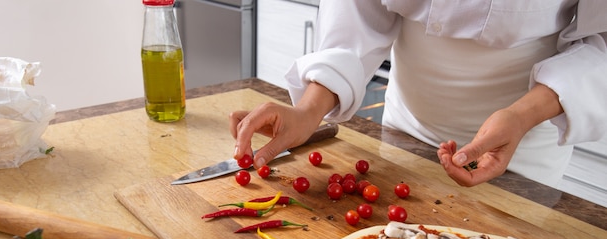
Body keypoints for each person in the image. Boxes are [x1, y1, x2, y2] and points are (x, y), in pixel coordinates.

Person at [229, 1, 607, 188]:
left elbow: (601, 40)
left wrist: (522, 116)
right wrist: (310, 108)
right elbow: (359, 15)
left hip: (523, 140)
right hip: (402, 134)